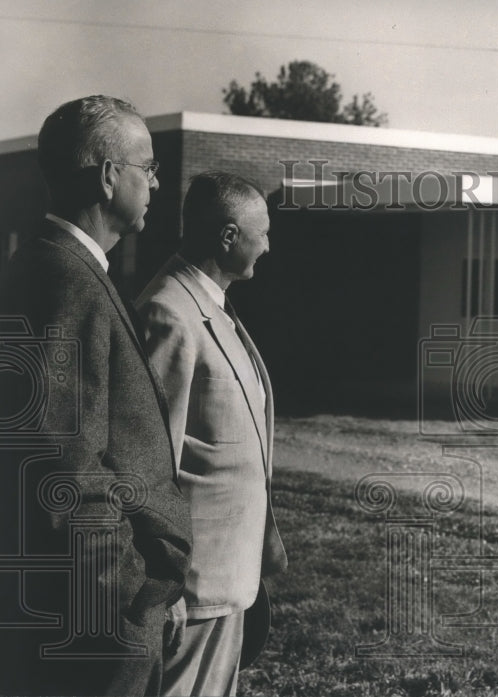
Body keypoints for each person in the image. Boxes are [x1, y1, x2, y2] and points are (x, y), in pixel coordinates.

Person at [0, 96, 192, 696]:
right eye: (149, 166)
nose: (156, 182)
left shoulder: (59, 269)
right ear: (110, 177)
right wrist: (128, 602)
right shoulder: (65, 281)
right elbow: (64, 469)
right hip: (100, 618)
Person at [135, 171, 287, 697]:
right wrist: (164, 585)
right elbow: (148, 463)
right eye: (261, 232)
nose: (268, 245)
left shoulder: (211, 306)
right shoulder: (169, 313)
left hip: (227, 578)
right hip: (193, 587)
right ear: (228, 236)